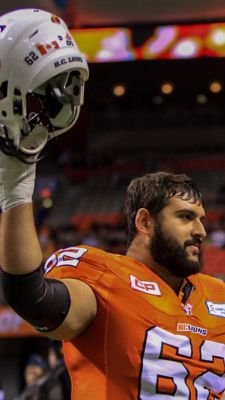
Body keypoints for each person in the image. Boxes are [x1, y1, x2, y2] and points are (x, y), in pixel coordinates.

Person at [0, 9, 225, 400]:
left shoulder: (217, 295)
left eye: (202, 219)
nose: (201, 230)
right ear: (145, 221)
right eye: (186, 217)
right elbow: (33, 299)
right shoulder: (106, 279)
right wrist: (18, 182)